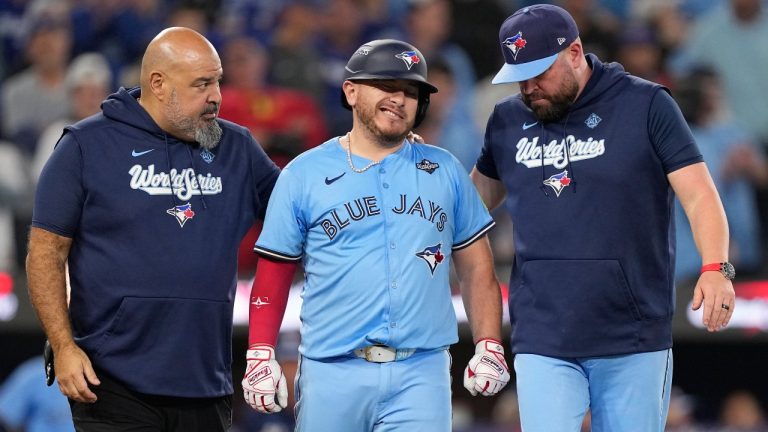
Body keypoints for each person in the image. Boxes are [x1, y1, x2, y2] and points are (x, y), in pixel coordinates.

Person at [471, 5, 735, 432]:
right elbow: (473, 203)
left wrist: (716, 268)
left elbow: (701, 195)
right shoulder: (508, 119)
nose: (529, 88)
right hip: (543, 334)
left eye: (540, 73)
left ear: (575, 52)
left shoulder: (645, 104)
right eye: (520, 77)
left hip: (631, 335)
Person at [240, 39, 510, 431]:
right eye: (387, 86)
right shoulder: (303, 173)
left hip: (422, 370)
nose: (400, 99)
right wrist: (260, 352)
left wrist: (489, 343)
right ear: (351, 91)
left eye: (411, 92)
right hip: (332, 369)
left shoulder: (446, 169)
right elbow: (275, 269)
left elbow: (476, 268)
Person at [25, 27, 280, 431]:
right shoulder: (84, 147)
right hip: (110, 382)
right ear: (158, 84)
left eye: (218, 80)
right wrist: (63, 346)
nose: (217, 95)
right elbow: (45, 251)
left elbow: (300, 211)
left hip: (206, 380)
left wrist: (370, 155)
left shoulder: (237, 148)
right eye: (202, 84)